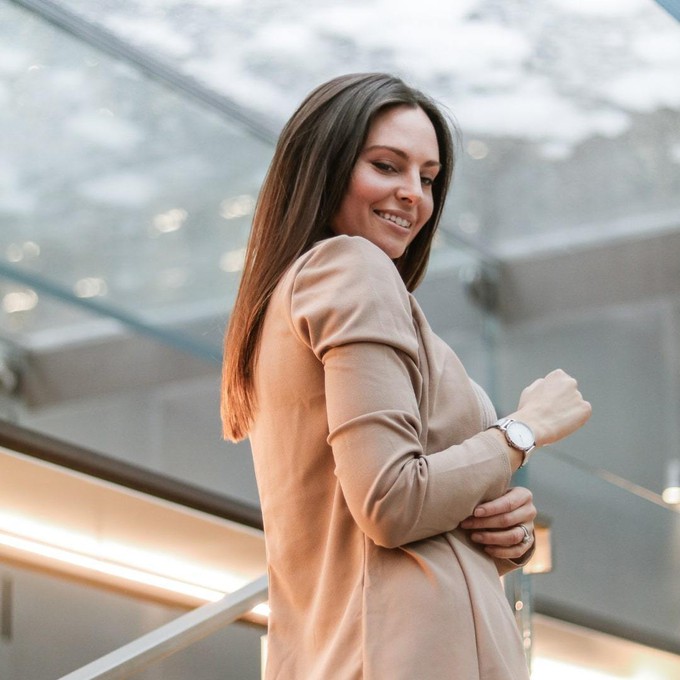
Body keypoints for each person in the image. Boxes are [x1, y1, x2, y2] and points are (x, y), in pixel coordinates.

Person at [221, 73, 592, 680]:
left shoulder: (297, 292)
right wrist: (522, 432)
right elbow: (392, 501)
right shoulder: (350, 267)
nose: (413, 195)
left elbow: (380, 523)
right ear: (325, 165)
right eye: (387, 166)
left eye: (427, 178)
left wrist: (500, 535)